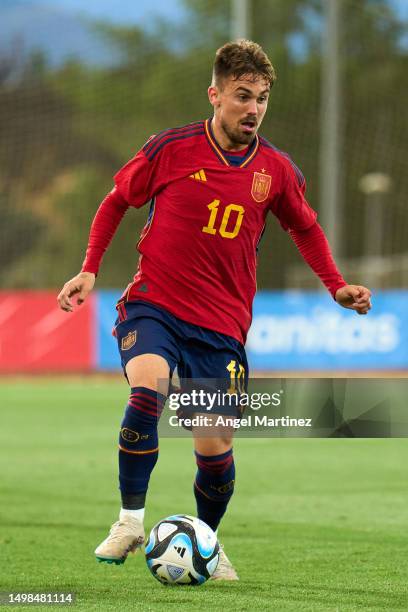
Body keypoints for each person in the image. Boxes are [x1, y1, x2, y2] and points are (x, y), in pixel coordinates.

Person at [57, 40, 371, 580]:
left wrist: (335, 286)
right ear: (216, 94)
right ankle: (130, 520)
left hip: (221, 327)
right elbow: (115, 201)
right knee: (147, 390)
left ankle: (207, 540)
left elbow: (305, 226)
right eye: (243, 96)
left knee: (213, 443)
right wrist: (89, 267)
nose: (253, 109)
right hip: (153, 304)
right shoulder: (171, 149)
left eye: (262, 99)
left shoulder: (274, 168)